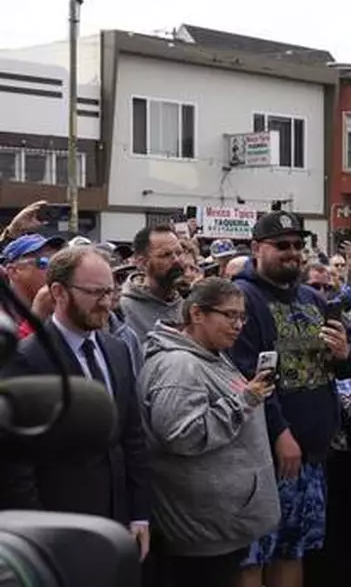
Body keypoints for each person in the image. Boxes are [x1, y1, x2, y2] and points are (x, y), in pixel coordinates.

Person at [231, 211, 351, 587]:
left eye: (298, 245)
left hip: (312, 456)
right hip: (264, 458)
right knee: (254, 557)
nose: (292, 252)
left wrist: (345, 355)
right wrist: (280, 432)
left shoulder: (313, 298)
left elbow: (347, 369)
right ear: (256, 248)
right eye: (281, 245)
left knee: (293, 550)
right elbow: (246, 375)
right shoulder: (242, 297)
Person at [0, 246, 151, 559]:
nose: (106, 302)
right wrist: (40, 536)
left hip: (118, 522)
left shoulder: (118, 350)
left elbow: (132, 436)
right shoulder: (27, 358)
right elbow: (16, 466)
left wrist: (139, 514)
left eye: (110, 291)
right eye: (94, 292)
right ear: (58, 292)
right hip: (60, 528)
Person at [140, 278, 280, 587]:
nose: (238, 325)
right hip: (200, 537)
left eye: (242, 317)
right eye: (229, 315)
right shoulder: (179, 365)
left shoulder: (210, 352)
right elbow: (182, 435)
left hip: (218, 529)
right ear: (196, 314)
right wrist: (244, 401)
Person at [119, 225, 188, 342]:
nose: (177, 260)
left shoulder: (190, 304)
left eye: (179, 253)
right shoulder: (124, 310)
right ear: (142, 263)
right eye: (166, 255)